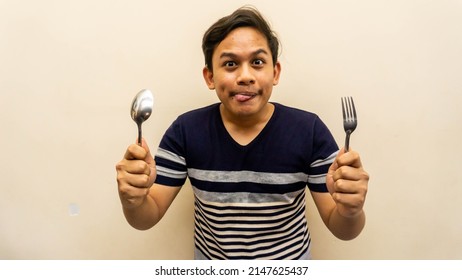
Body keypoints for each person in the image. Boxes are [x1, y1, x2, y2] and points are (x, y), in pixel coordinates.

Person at [116, 6, 369, 260]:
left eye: (257, 62)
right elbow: (147, 217)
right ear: (210, 76)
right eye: (230, 64)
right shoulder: (185, 131)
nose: (245, 76)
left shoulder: (309, 130)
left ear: (275, 72)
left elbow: (344, 229)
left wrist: (350, 209)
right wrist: (133, 200)